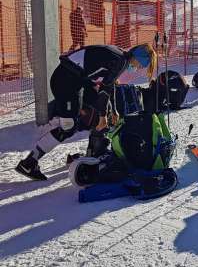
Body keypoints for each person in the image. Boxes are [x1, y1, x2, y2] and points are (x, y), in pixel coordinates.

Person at [15, 43, 157, 181]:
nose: (138, 69)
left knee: (101, 113)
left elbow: (109, 84)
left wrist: (111, 110)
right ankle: (29, 163)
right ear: (138, 58)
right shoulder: (121, 60)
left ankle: (93, 154)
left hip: (76, 79)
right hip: (66, 80)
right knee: (68, 126)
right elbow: (104, 90)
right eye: (141, 65)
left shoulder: (121, 56)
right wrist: (103, 116)